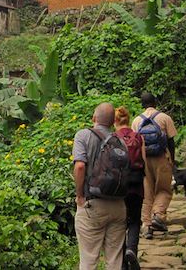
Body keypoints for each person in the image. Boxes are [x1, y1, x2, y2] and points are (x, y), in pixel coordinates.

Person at [72, 102, 127, 270]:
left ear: (94, 118)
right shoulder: (120, 141)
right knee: (114, 260)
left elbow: (80, 166)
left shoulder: (83, 135)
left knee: (89, 259)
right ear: (112, 122)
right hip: (118, 206)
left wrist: (80, 196)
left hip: (92, 205)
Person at [131, 93, 177, 239]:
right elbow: (171, 141)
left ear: (142, 104)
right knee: (164, 189)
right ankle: (158, 215)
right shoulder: (164, 118)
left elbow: (135, 144)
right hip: (161, 158)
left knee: (147, 192)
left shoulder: (136, 121)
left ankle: (146, 225)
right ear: (155, 103)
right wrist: (173, 161)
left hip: (144, 161)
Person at [114, 106, 145, 270]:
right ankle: (132, 249)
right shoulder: (138, 137)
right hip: (136, 185)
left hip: (117, 187)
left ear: (115, 121)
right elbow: (144, 160)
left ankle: (123, 262)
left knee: (119, 224)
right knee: (134, 221)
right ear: (129, 119)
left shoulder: (111, 138)